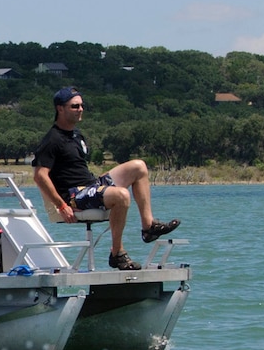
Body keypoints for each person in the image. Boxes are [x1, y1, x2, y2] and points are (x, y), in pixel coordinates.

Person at [31, 87, 179, 270]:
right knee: (121, 195)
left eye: (82, 105)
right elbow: (40, 176)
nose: (80, 109)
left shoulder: (77, 135)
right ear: (60, 108)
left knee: (139, 166)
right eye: (74, 106)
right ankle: (117, 253)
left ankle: (148, 227)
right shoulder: (52, 139)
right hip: (74, 195)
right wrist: (61, 205)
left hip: (90, 186)